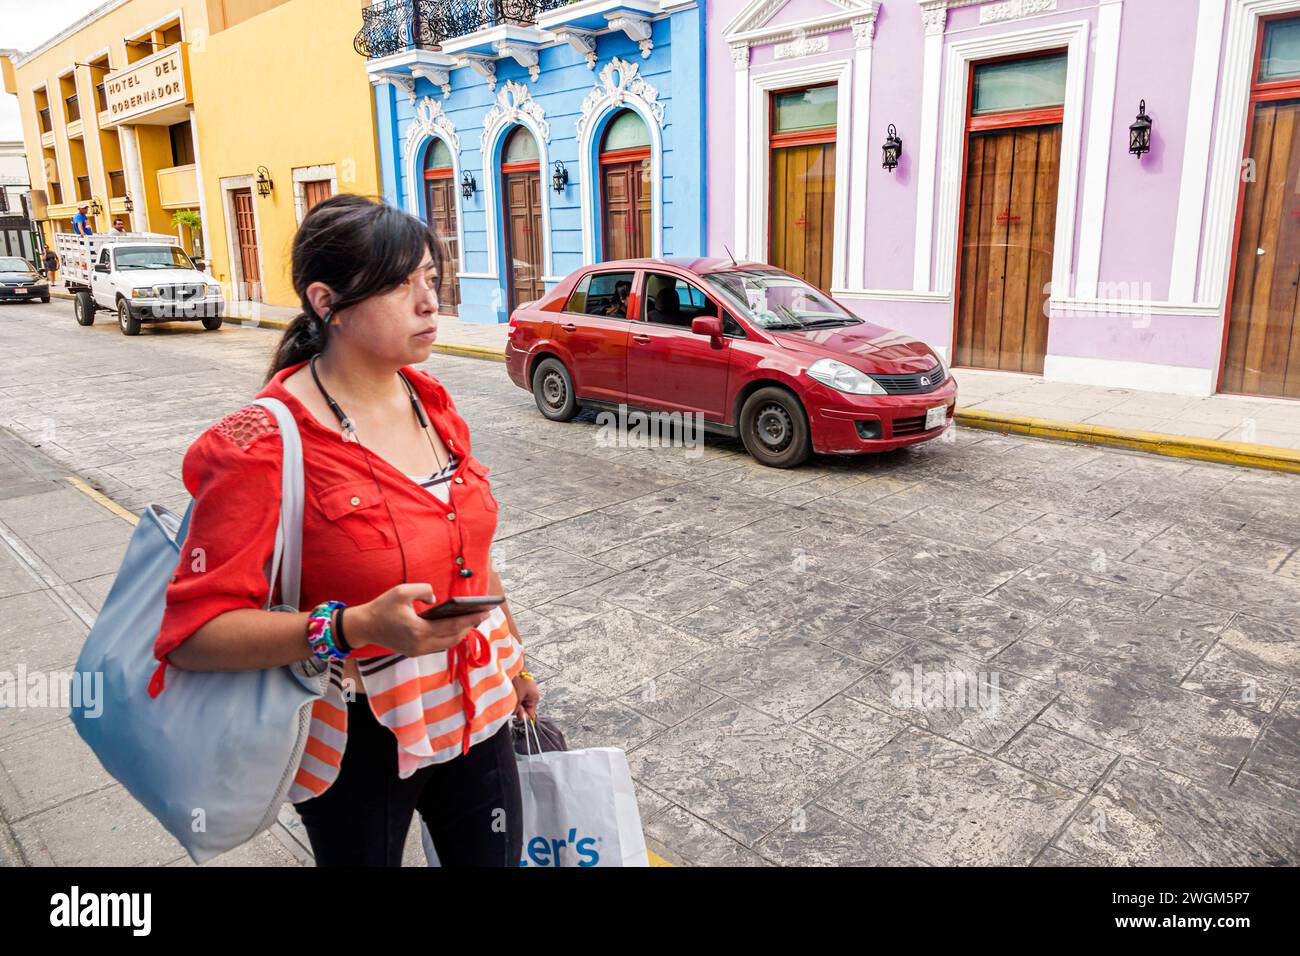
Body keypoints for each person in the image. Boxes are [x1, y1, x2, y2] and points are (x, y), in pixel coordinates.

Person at [153, 193, 538, 867]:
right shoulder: (261, 443)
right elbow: (191, 636)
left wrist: (515, 657)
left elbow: (468, 548)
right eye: (398, 285)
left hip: (478, 701)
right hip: (358, 732)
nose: (428, 303)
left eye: (430, 279)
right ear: (326, 301)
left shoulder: (430, 400)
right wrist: (352, 626)